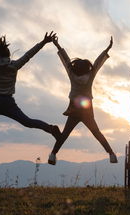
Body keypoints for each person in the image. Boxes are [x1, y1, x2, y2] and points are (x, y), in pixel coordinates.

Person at [47, 36, 117, 165]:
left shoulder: (72, 74)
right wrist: (107, 49)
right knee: (96, 132)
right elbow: (97, 62)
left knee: (65, 134)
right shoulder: (90, 75)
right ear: (87, 68)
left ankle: (52, 155)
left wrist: (57, 45)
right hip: (87, 109)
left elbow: (65, 60)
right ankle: (111, 154)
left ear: (75, 68)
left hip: (74, 108)